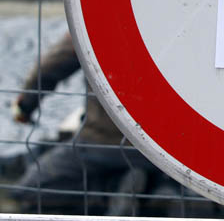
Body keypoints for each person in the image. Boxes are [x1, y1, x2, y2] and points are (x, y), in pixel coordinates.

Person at [10, 33, 159, 214]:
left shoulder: (97, 20)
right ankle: (130, 187)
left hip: (99, 142)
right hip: (158, 150)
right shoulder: (174, 25)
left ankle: (107, 193)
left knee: (29, 190)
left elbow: (54, 64)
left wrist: (25, 105)